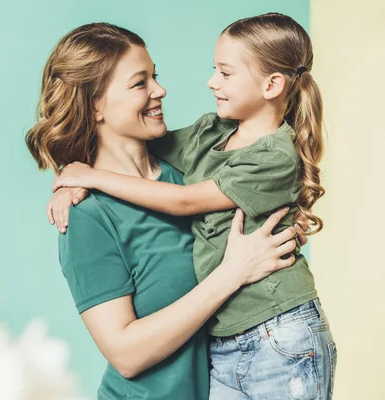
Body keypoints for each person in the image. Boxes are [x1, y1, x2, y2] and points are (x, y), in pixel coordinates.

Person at [51, 13, 337, 400]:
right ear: (95, 106)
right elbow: (126, 356)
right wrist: (232, 273)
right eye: (141, 83)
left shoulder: (191, 176)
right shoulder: (87, 215)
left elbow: (199, 201)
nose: (161, 90)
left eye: (155, 76)